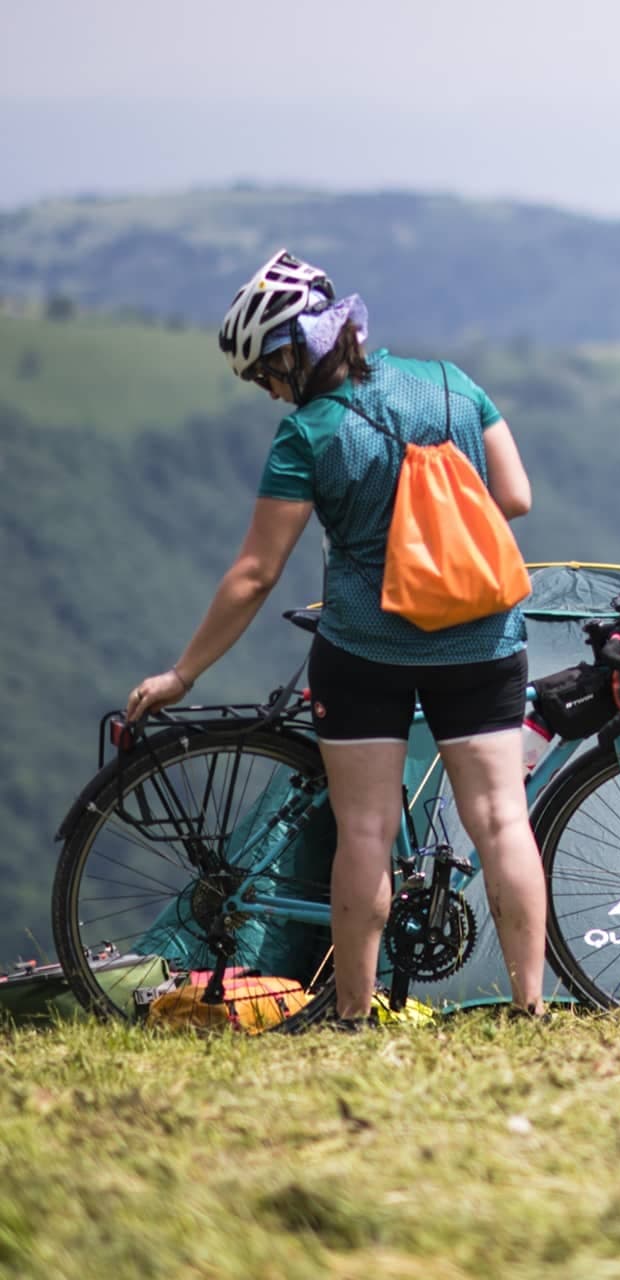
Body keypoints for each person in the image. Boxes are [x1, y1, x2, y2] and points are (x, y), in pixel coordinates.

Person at [125, 249, 548, 1027]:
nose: (267, 388)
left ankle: (353, 1014)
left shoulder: (306, 436)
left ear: (294, 351)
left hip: (364, 651)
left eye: (265, 372)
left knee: (364, 830)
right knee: (499, 820)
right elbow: (514, 497)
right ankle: (529, 1008)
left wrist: (183, 675)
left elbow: (255, 573)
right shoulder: (454, 384)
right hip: (484, 638)